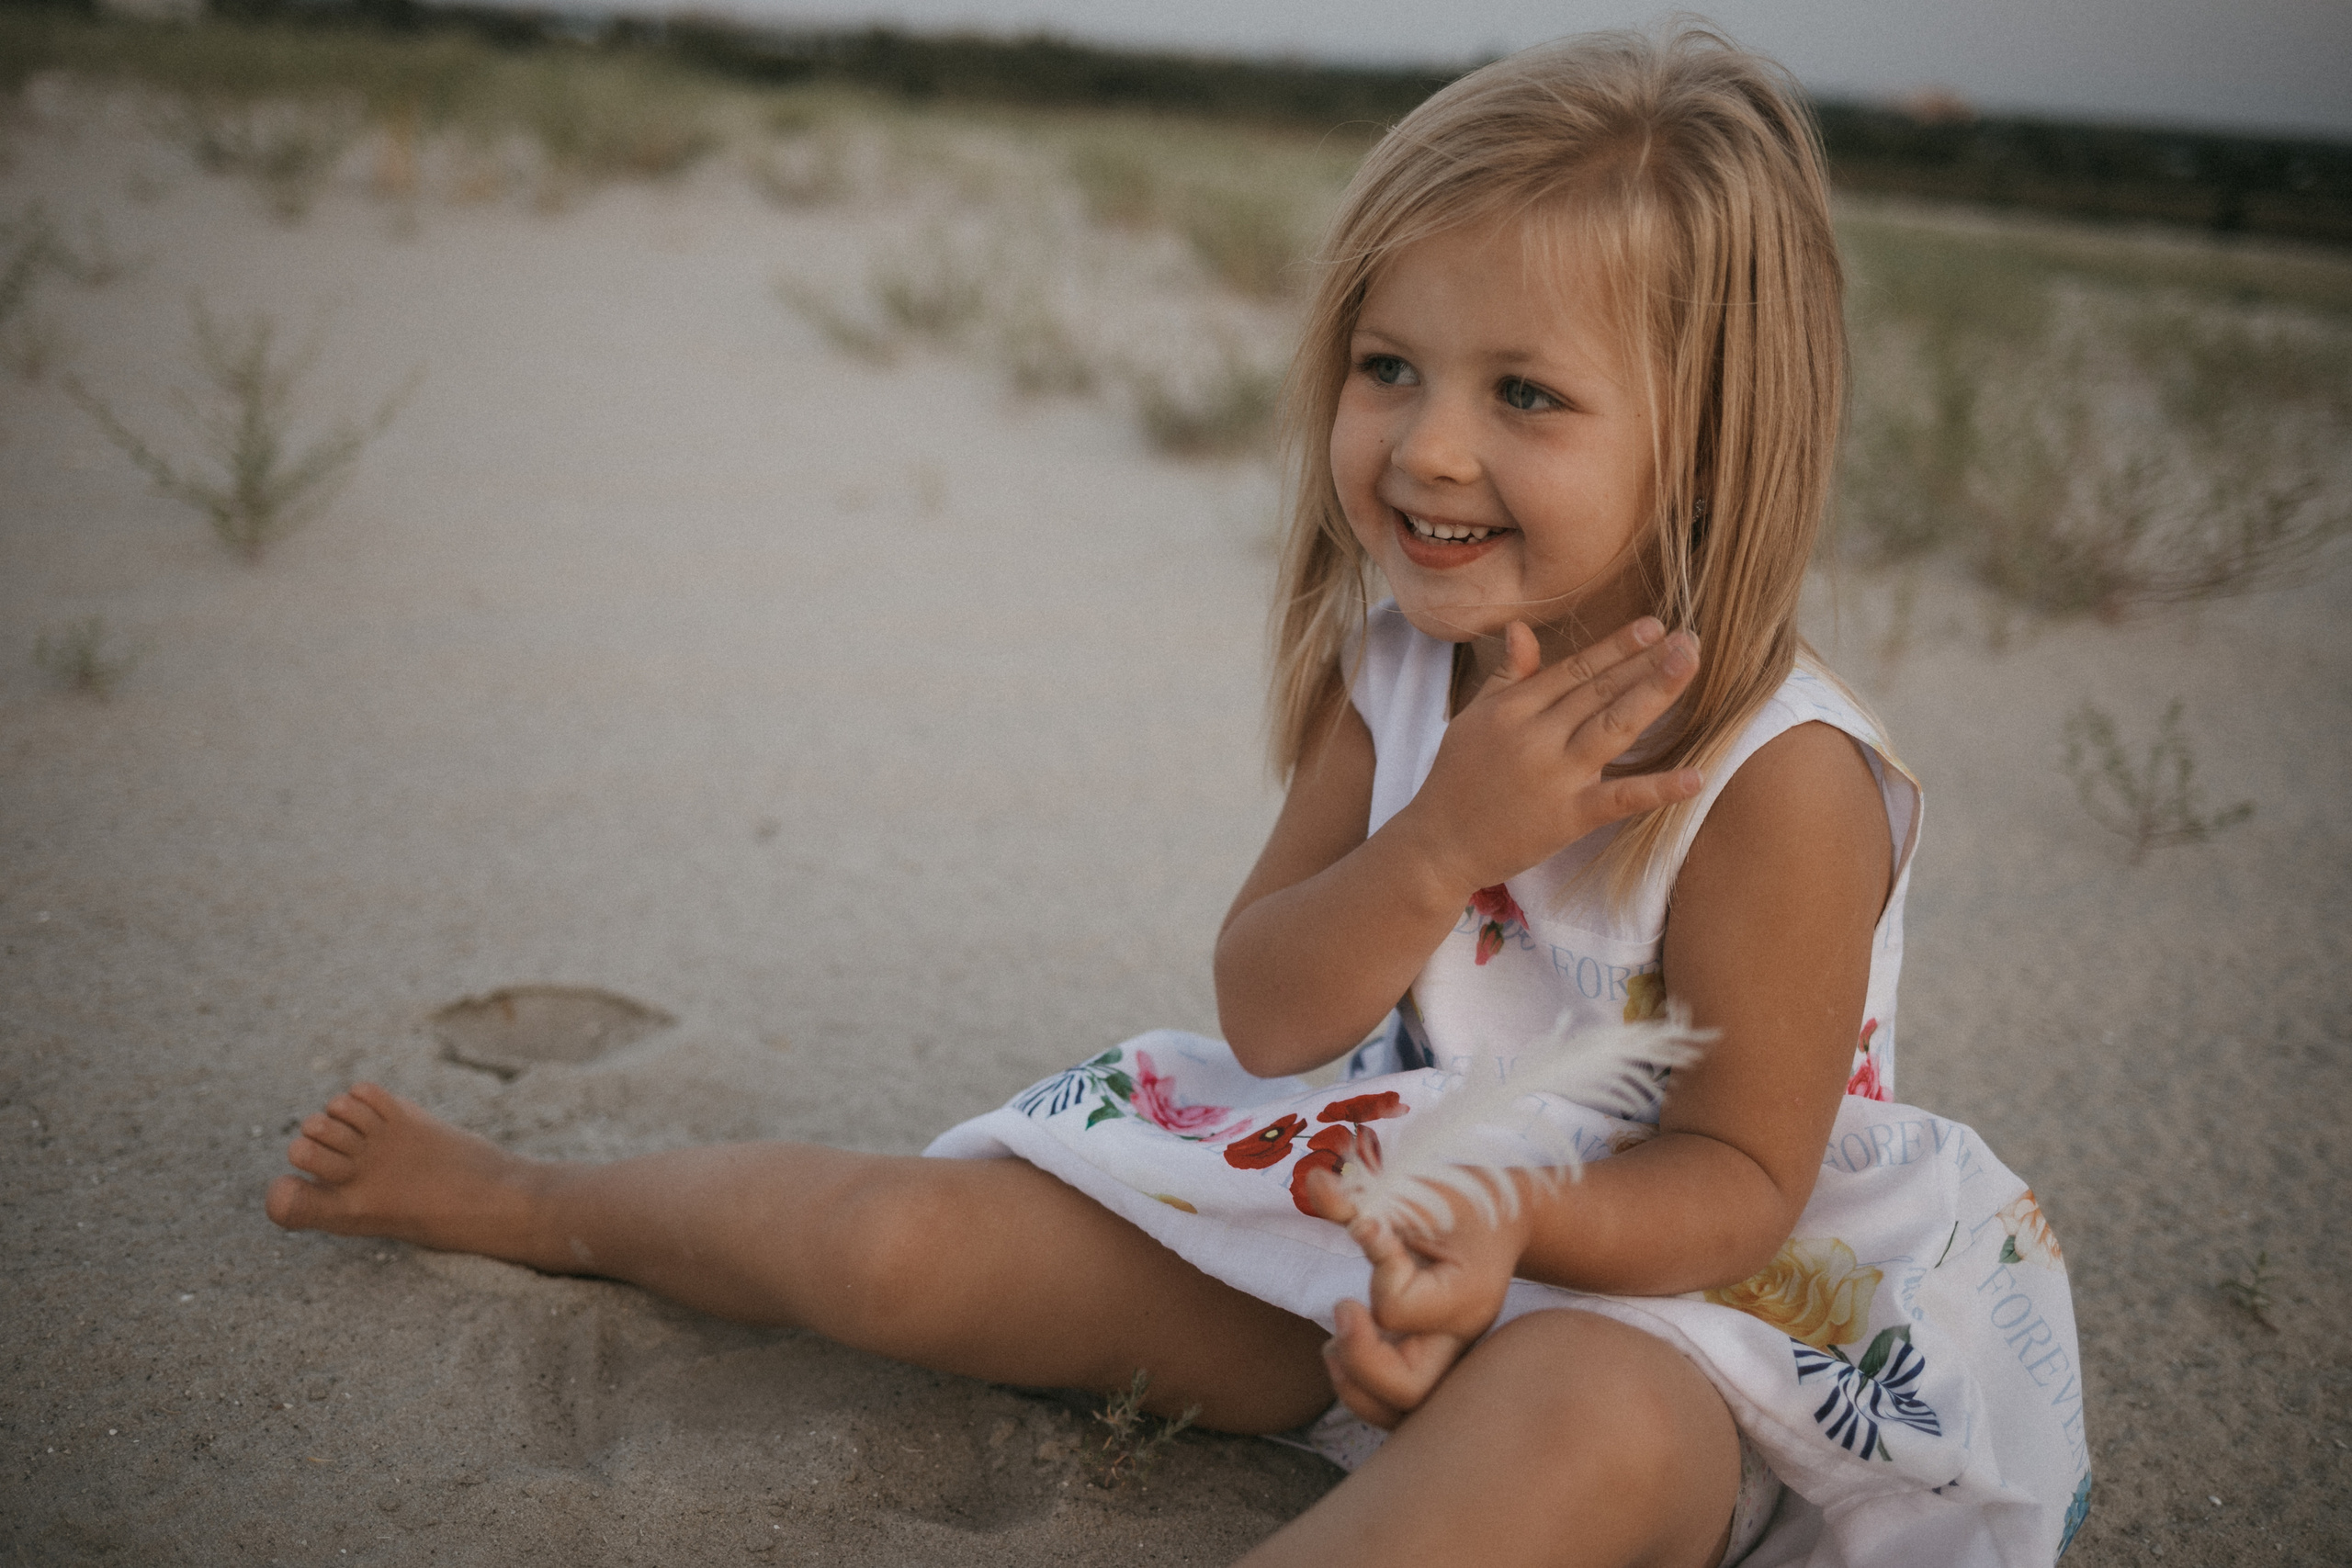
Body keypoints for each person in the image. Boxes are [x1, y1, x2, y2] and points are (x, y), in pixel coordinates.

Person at [266, 28, 2090, 1567]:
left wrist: (1510, 1230)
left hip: (1668, 1311)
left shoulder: (1775, 781)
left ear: (1706, 429)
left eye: (1522, 392)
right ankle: (548, 1197)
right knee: (900, 1241)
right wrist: (1443, 837)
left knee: (1571, 1437)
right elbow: (1270, 1004)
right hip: (1350, 1209)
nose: (1424, 442)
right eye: (1388, 366)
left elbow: (1737, 1182)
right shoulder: (1393, 664)